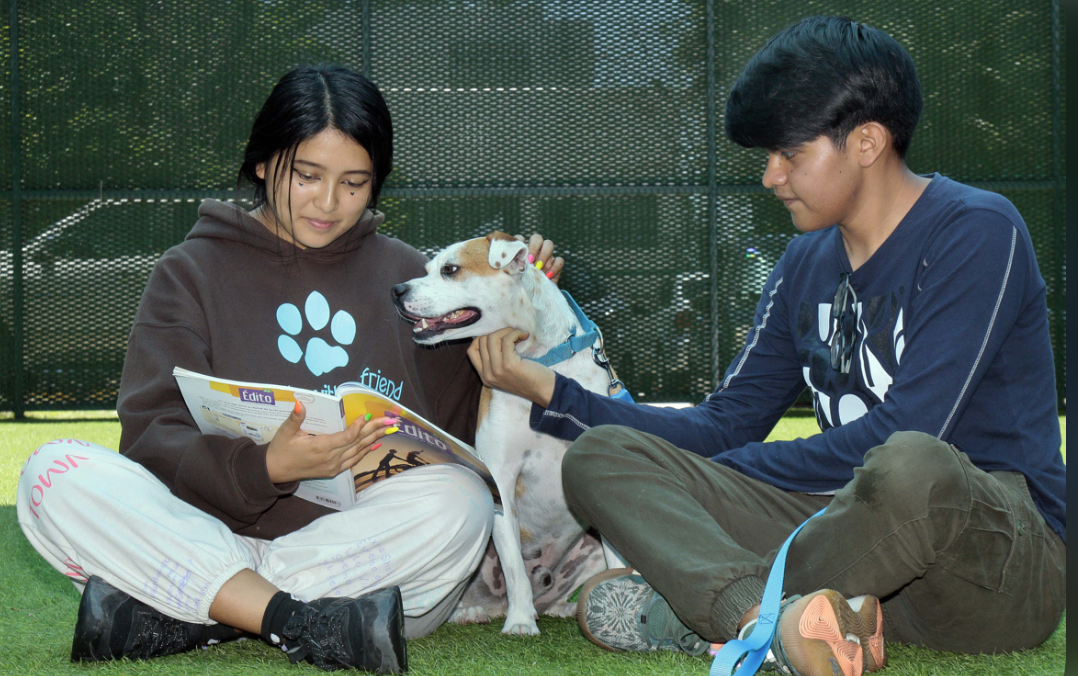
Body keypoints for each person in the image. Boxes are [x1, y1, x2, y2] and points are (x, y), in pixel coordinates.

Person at [468, 16, 1066, 676]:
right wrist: (554, 393)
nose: (770, 176)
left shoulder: (977, 230)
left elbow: (915, 428)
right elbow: (723, 424)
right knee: (601, 458)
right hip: (854, 554)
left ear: (866, 141)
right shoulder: (803, 262)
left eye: (790, 154)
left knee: (911, 464)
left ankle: (693, 612)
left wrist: (734, 472)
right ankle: (771, 624)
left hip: (993, 564)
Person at [16, 64, 561, 673]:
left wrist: (516, 312)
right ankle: (296, 623)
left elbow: (467, 437)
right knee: (52, 473)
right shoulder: (188, 272)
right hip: (216, 538)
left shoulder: (413, 280)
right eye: (307, 175)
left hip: (355, 555)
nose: (329, 203)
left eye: (355, 183)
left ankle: (195, 612)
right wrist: (266, 466)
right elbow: (150, 437)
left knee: (459, 501)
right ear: (262, 162)